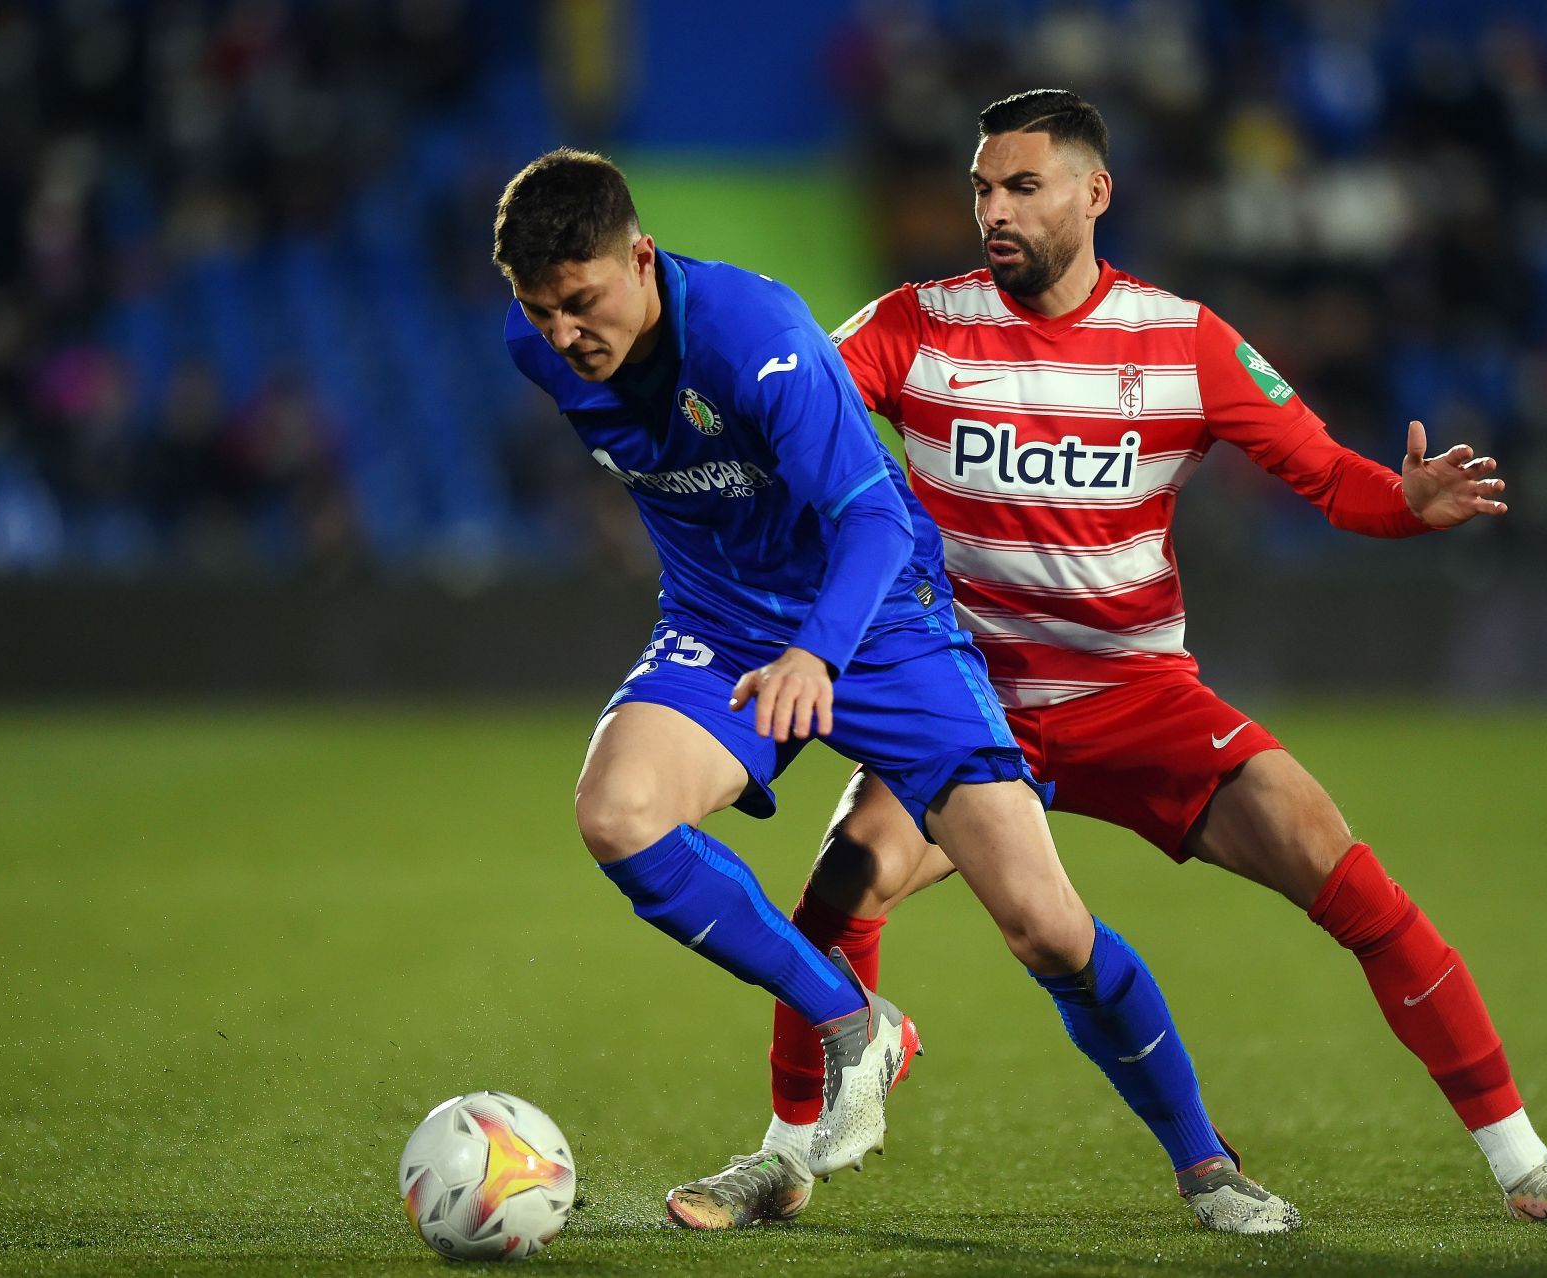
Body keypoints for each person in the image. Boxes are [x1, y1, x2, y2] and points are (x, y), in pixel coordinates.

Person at [667, 91, 1547, 1229]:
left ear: (1095, 194)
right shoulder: (912, 326)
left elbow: (1331, 477)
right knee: (834, 901)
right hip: (965, 701)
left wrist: (1407, 502)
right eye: (982, 186)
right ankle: (786, 1157)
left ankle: (1525, 1166)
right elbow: (803, 435)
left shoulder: (1183, 339)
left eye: (1022, 187)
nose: (994, 209)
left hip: (1137, 699)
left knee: (1355, 887)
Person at [495, 148, 1301, 1233]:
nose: (561, 334)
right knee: (617, 814)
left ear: (641, 256)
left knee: (1046, 929)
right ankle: (850, 1026)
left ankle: (1207, 1166)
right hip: (720, 627)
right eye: (540, 311)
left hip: (879, 624)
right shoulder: (538, 352)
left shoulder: (756, 340)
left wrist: (820, 654)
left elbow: (873, 521)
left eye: (580, 302)